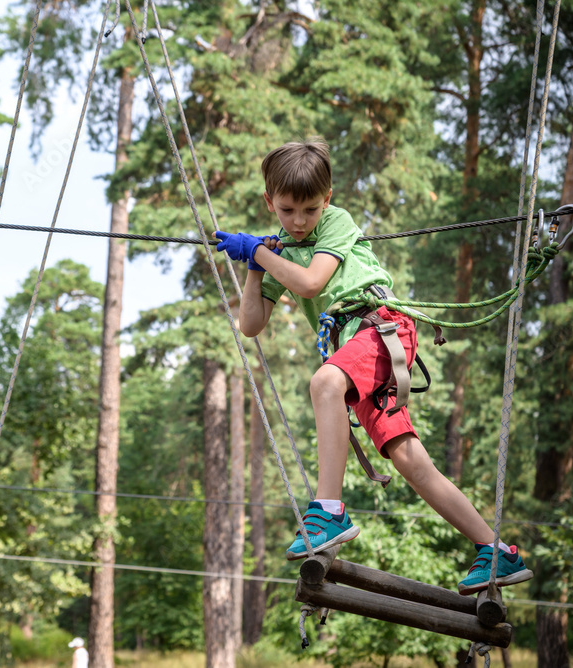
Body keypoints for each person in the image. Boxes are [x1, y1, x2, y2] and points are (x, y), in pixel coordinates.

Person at [214, 138, 533, 595]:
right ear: (270, 202)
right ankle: (497, 551)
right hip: (358, 354)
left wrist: (260, 253)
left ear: (328, 199)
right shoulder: (276, 250)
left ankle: (329, 511)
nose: (299, 221)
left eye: (309, 209)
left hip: (380, 328)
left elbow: (310, 282)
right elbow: (250, 324)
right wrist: (253, 266)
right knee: (408, 459)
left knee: (325, 382)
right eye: (287, 211)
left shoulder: (337, 224)